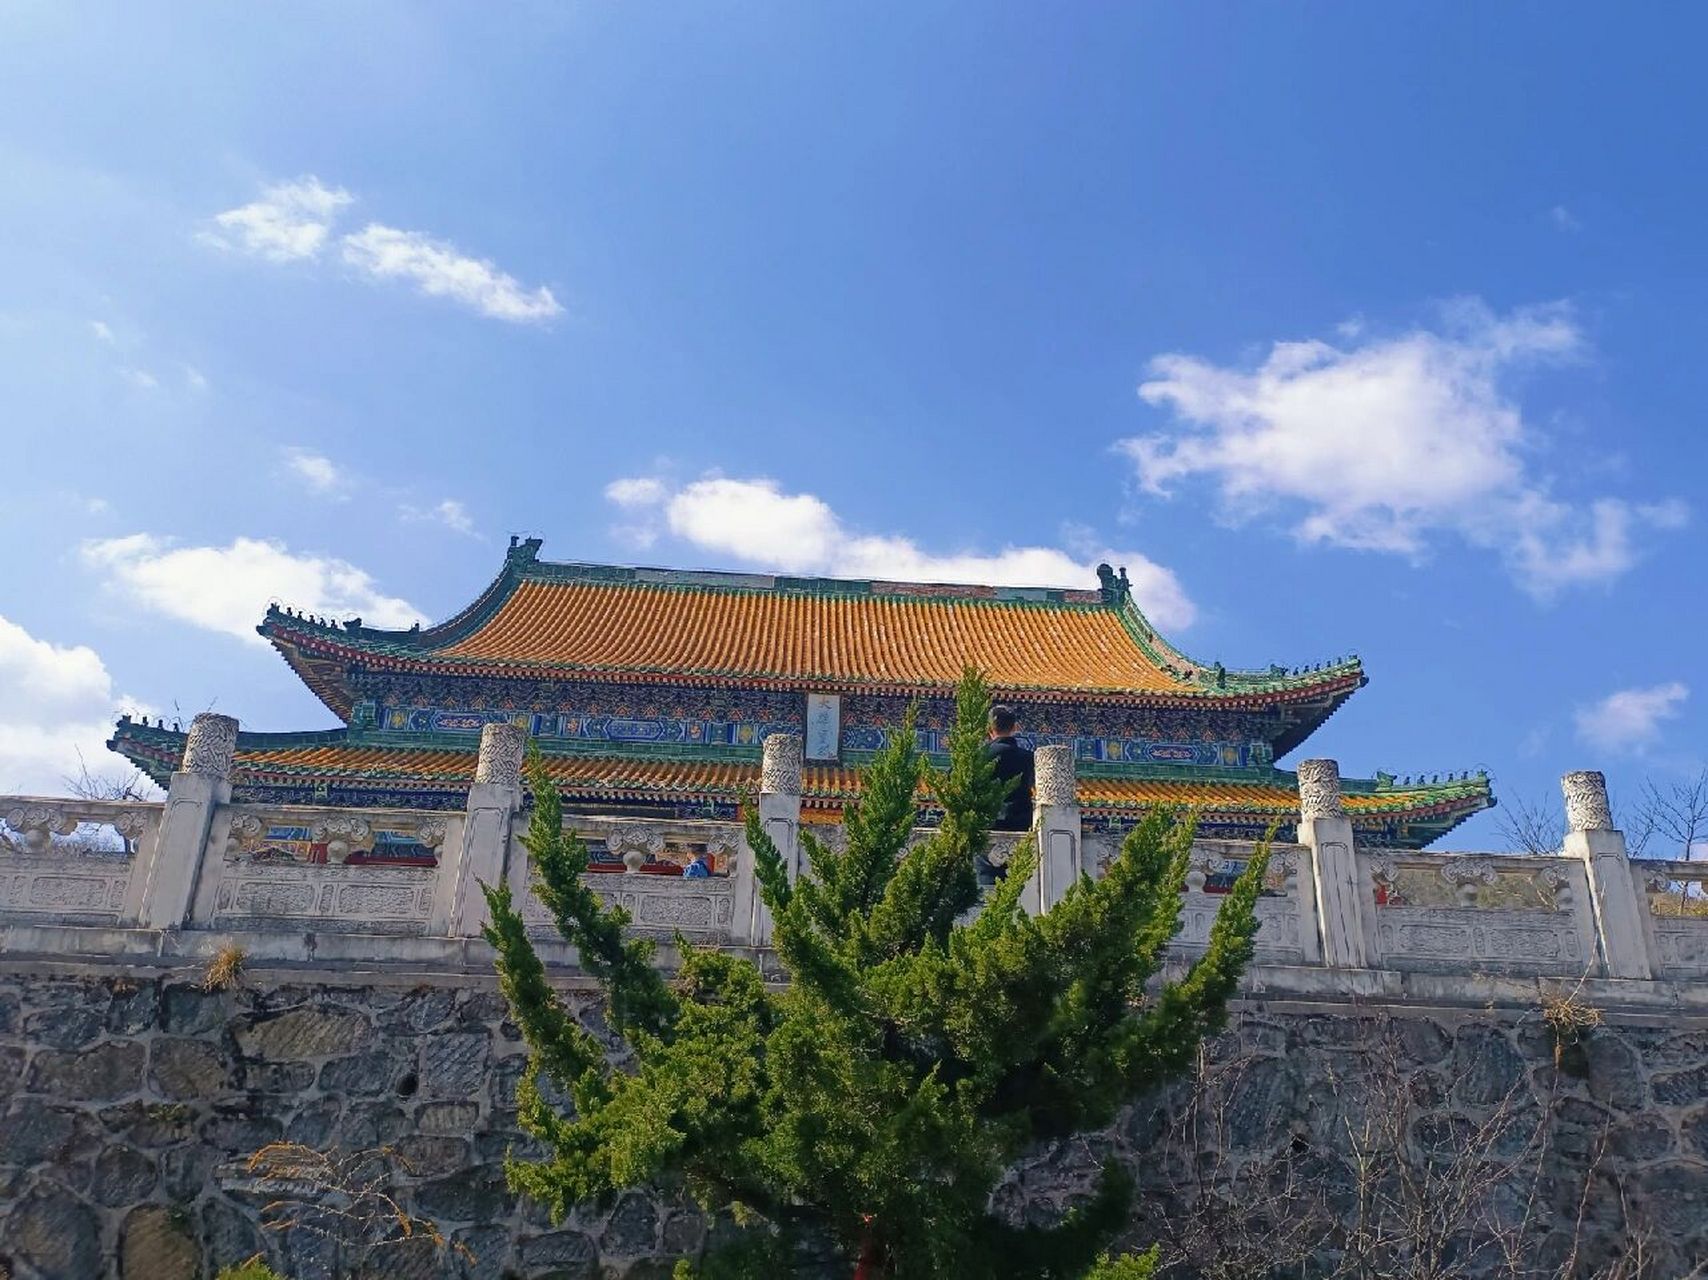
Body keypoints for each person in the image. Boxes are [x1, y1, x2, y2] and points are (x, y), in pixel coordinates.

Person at [979, 705, 1034, 885]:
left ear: (989, 730)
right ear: (1015, 728)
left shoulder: (978, 757)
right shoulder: (1029, 758)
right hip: (1021, 827)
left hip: (986, 828)